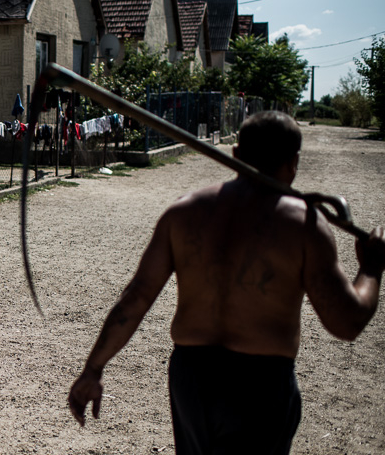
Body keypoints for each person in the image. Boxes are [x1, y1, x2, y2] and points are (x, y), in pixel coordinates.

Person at [67, 111, 385, 454]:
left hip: (191, 379)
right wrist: (371, 269)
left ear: (235, 155)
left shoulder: (184, 212)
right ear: (293, 163)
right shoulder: (303, 225)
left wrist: (93, 368)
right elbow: (346, 322)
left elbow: (136, 297)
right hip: (260, 385)